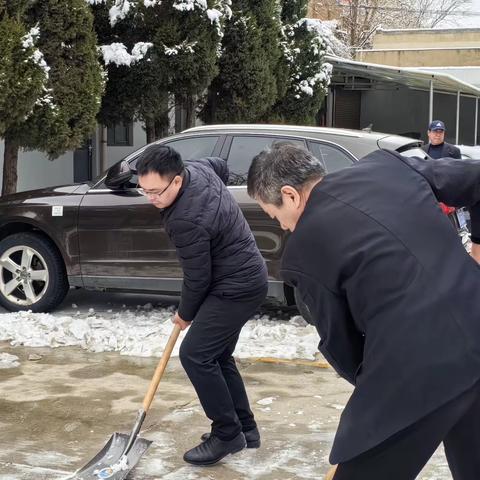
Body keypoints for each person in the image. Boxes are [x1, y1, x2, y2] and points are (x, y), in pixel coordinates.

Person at [247, 143, 480, 480]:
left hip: (418, 373)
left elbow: (346, 350)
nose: (282, 226)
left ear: (291, 196)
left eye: (274, 215)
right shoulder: (387, 167)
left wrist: (377, 399)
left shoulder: (304, 251)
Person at [136, 145, 268, 466]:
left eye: (156, 191)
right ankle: (245, 429)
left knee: (195, 355)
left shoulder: (186, 219)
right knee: (218, 355)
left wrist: (185, 313)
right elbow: (220, 165)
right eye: (144, 191)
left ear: (177, 181)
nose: (151, 198)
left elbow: (197, 278)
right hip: (249, 277)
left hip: (234, 287)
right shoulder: (199, 169)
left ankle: (226, 433)